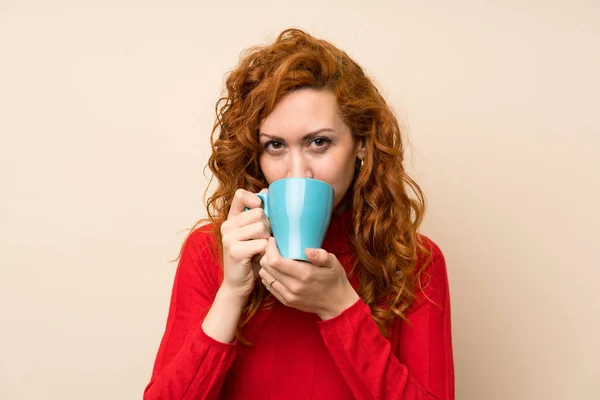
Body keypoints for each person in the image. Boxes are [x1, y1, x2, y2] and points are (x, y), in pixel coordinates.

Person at [144, 28, 454, 399]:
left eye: (318, 142)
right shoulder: (211, 252)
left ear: (361, 144)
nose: (296, 171)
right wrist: (231, 292)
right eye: (275, 146)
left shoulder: (415, 263)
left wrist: (340, 308)